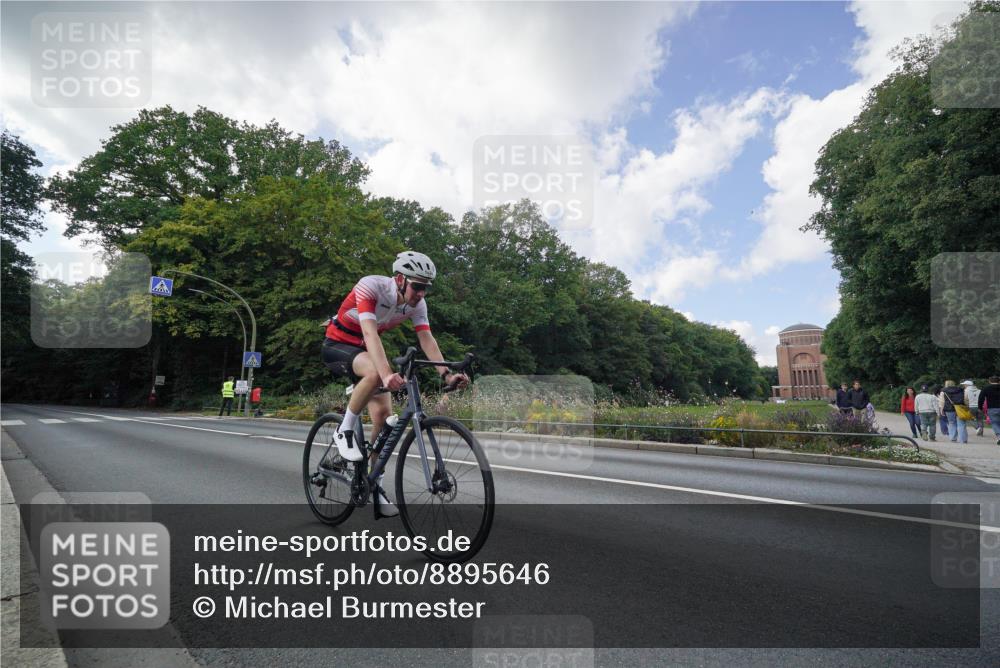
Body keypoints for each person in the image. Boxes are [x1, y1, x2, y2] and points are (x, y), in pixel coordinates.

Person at [319, 251, 469, 517]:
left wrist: (446, 375)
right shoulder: (372, 286)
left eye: (426, 287)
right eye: (418, 286)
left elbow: (427, 340)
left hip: (365, 351)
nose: (422, 293)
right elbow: (369, 332)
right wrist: (386, 373)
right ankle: (343, 431)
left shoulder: (416, 305)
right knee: (377, 374)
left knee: (384, 419)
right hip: (339, 345)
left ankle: (372, 485)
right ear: (400, 279)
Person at [940, 380, 968, 444]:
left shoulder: (943, 391)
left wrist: (942, 410)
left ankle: (953, 438)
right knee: (962, 424)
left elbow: (942, 402)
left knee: (952, 423)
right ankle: (963, 440)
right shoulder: (961, 390)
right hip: (960, 408)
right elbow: (965, 399)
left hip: (949, 409)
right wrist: (966, 406)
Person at [978, 376, 1000, 446]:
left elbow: (981, 398)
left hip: (992, 408)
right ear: (999, 381)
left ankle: (999, 435)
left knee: (994, 423)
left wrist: (980, 407)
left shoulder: (986, 388)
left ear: (989, 381)